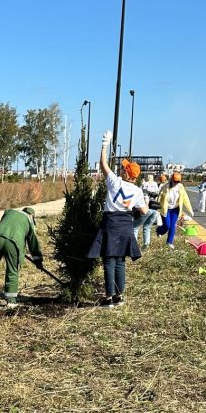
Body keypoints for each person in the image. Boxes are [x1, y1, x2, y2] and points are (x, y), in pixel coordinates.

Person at [87, 131, 147, 305]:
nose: (120, 168)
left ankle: (108, 298)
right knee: (120, 261)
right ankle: (119, 297)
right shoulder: (137, 191)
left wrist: (105, 144)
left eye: (123, 167)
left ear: (126, 172)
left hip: (110, 224)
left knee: (108, 261)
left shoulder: (115, 182)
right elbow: (143, 211)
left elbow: (102, 163)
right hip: (126, 227)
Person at [158, 171, 194, 248]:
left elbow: (185, 198)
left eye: (178, 181)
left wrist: (190, 209)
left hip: (175, 209)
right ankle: (159, 231)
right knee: (167, 225)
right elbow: (159, 197)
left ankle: (169, 242)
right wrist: (156, 207)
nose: (176, 183)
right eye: (175, 181)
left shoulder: (180, 187)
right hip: (166, 209)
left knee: (172, 226)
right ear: (171, 180)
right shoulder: (165, 187)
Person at [133, 168, 160, 249]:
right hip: (155, 209)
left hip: (147, 208)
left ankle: (133, 246)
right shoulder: (155, 184)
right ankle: (146, 244)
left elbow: (141, 195)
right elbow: (157, 194)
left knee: (135, 227)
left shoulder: (143, 185)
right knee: (147, 227)